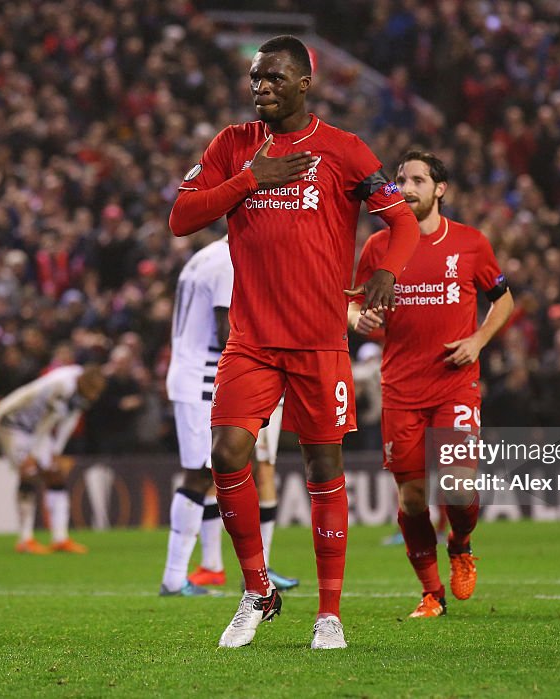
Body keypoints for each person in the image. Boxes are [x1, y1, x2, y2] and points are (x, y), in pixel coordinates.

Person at [169, 35, 419, 649]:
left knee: (321, 465)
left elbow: (403, 220)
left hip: (318, 343)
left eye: (275, 78)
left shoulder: (343, 150)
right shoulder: (233, 146)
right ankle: (257, 590)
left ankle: (329, 613)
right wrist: (248, 180)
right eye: (256, 78)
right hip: (251, 341)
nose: (262, 88)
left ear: (305, 83)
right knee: (228, 453)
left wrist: (386, 271)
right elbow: (180, 218)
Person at [349, 150, 514, 618]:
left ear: (440, 189)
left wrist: (479, 340)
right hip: (400, 388)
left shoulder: (470, 243)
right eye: (401, 179)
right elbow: (351, 304)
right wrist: (361, 318)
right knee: (413, 498)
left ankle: (460, 545)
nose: (406, 187)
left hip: (454, 384)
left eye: (418, 180)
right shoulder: (379, 247)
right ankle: (430, 592)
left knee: (459, 489)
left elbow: (503, 299)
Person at [160, 236, 299, 596]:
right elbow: (227, 330)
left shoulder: (204, 256)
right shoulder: (229, 263)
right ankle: (174, 579)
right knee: (199, 474)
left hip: (193, 372)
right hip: (201, 377)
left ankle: (197, 571)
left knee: (210, 471)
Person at [0, 364, 106, 554]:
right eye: (91, 392)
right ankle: (25, 540)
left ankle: (60, 538)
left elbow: (70, 419)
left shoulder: (81, 388)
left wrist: (56, 452)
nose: (93, 397)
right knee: (29, 472)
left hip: (37, 426)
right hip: (12, 421)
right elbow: (47, 421)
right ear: (83, 383)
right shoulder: (61, 386)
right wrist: (32, 453)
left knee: (56, 474)